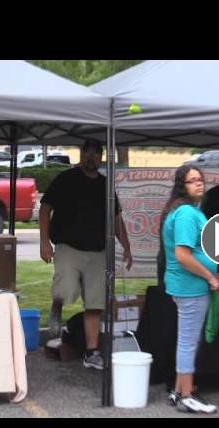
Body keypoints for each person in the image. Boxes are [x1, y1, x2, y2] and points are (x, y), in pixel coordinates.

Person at [39, 138, 133, 370]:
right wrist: (44, 242)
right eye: (87, 153)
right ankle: (57, 304)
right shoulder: (65, 179)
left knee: (95, 303)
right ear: (81, 155)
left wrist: (127, 247)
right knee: (67, 289)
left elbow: (116, 219)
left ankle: (92, 352)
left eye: (95, 154)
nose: (91, 158)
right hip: (67, 246)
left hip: (97, 250)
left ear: (101, 157)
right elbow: (45, 208)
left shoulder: (105, 184)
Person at [161, 164, 219, 414]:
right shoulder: (185, 213)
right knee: (188, 343)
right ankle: (186, 395)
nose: (199, 184)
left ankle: (178, 390)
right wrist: (210, 277)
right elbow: (183, 256)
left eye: (200, 180)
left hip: (189, 285)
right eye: (192, 181)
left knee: (187, 340)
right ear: (181, 186)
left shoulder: (186, 211)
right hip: (191, 287)